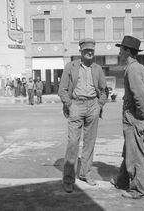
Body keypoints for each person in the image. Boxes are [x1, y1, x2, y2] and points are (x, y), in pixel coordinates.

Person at [110, 35, 144, 199]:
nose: (119, 52)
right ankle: (122, 181)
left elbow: (140, 96)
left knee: (135, 155)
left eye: (121, 49)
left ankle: (138, 189)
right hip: (134, 116)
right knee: (129, 150)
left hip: (134, 117)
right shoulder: (137, 67)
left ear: (127, 51)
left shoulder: (132, 69)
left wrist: (139, 117)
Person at [58, 38, 107, 193]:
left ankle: (85, 174)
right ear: (80, 51)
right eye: (86, 49)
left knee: (89, 143)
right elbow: (62, 89)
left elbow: (104, 90)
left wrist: (99, 105)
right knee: (73, 143)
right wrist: (69, 104)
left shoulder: (98, 69)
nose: (90, 52)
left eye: (92, 49)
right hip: (76, 105)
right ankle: (68, 179)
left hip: (93, 105)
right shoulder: (70, 67)